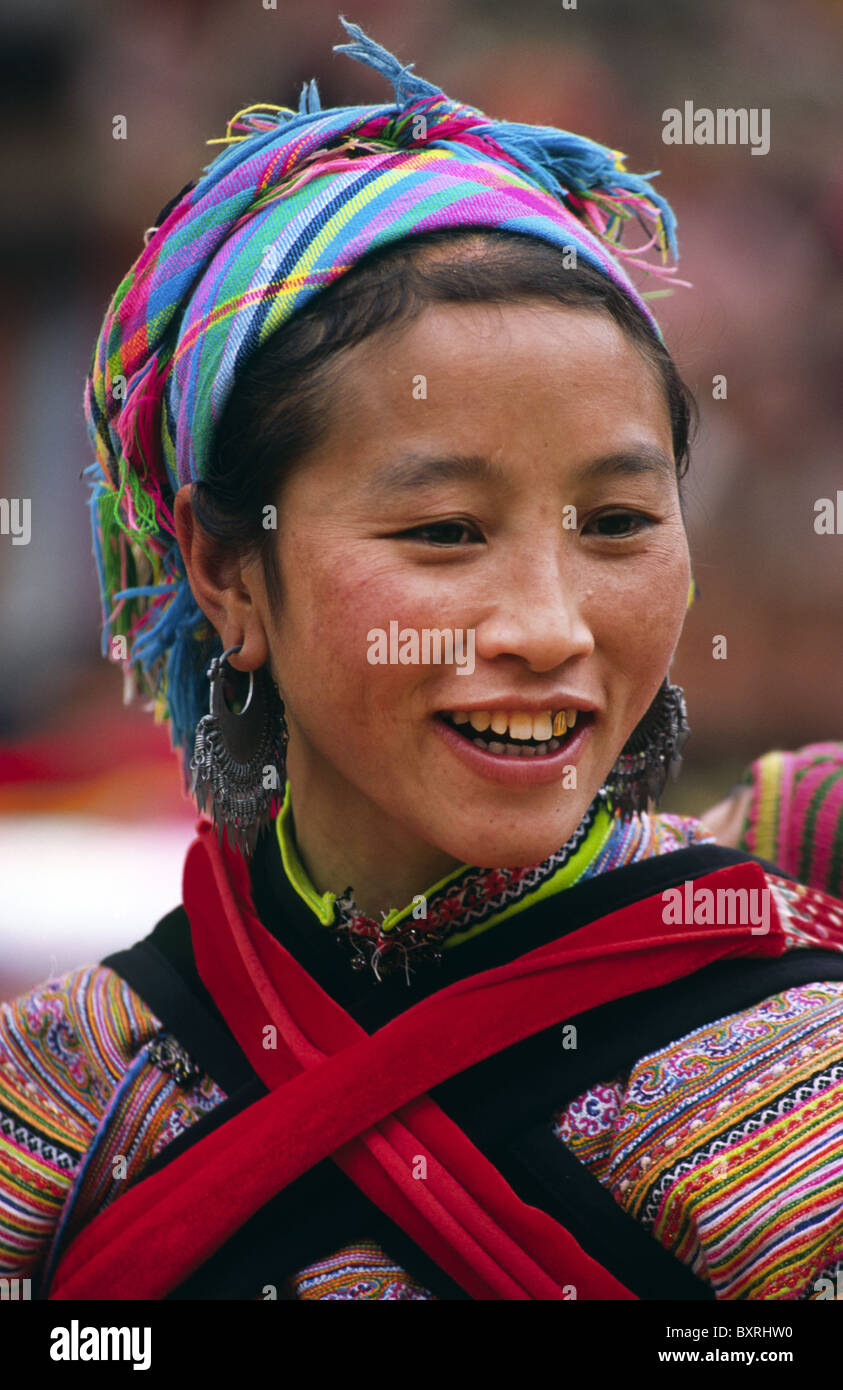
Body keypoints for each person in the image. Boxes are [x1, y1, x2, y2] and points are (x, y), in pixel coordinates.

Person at [2, 19, 843, 1302]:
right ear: (230, 574)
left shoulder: (802, 1088)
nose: (551, 626)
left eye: (617, 522)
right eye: (445, 532)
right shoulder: (58, 1109)